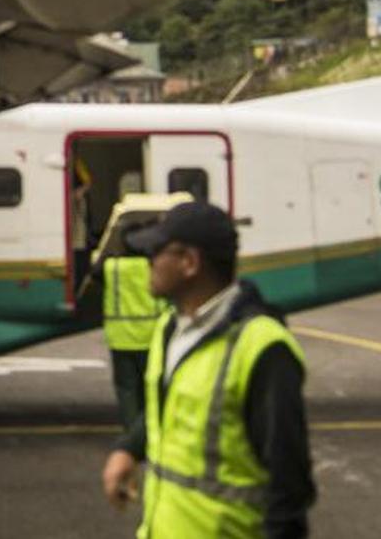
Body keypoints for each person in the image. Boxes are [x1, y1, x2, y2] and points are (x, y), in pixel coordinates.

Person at [100, 201, 315, 538]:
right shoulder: (170, 329)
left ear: (189, 262)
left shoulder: (262, 349)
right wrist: (128, 449)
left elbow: (289, 488)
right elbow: (171, 411)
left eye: (156, 252)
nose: (148, 263)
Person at [97, 245, 166, 433]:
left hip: (120, 337)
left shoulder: (112, 266)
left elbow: (94, 268)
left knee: (127, 389)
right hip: (150, 337)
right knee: (149, 386)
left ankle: (132, 431)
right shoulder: (154, 265)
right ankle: (149, 429)